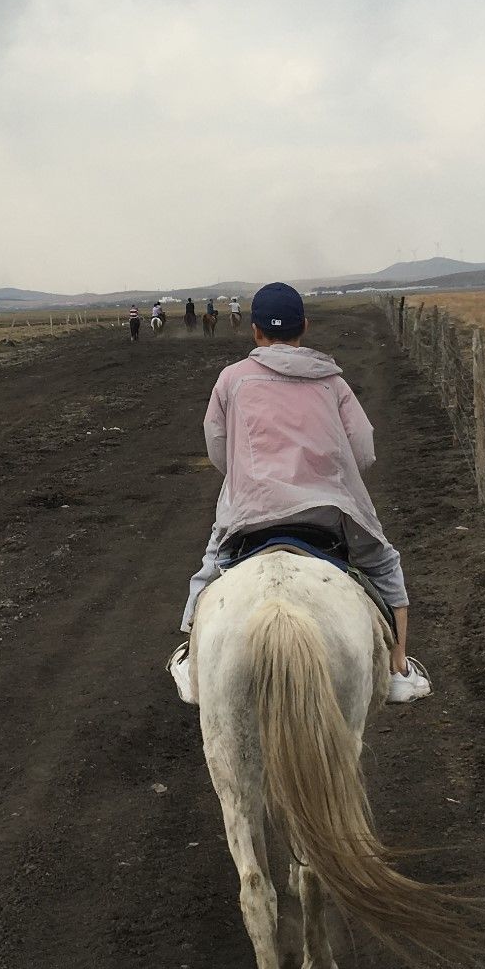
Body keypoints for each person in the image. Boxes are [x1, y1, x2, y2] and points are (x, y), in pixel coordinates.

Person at [167, 281, 430, 706]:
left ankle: (191, 655)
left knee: (213, 561)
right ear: (304, 327)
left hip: (252, 505)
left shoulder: (231, 380)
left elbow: (217, 447)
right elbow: (363, 450)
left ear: (255, 331)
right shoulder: (333, 381)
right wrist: (329, 472)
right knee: (383, 561)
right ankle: (398, 664)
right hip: (326, 510)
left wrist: (247, 474)